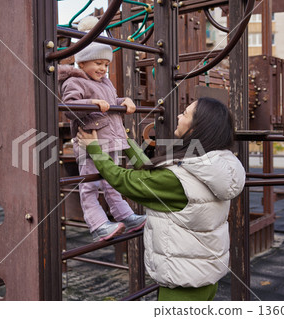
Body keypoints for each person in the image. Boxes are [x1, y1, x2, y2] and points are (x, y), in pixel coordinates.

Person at [76, 97, 246, 301]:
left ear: (197, 127)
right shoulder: (214, 163)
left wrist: (95, 148)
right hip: (204, 275)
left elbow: (126, 181)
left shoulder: (177, 179)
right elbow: (155, 174)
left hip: (182, 286)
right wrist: (124, 141)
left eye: (185, 113)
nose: (178, 115)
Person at [58, 16, 146, 242]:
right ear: (82, 63)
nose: (103, 69)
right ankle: (97, 225)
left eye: (106, 65)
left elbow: (110, 100)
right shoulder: (74, 82)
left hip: (113, 140)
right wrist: (91, 104)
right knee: (90, 185)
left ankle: (125, 216)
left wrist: (124, 100)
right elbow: (69, 107)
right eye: (97, 63)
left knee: (113, 183)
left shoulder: (105, 82)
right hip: (91, 141)